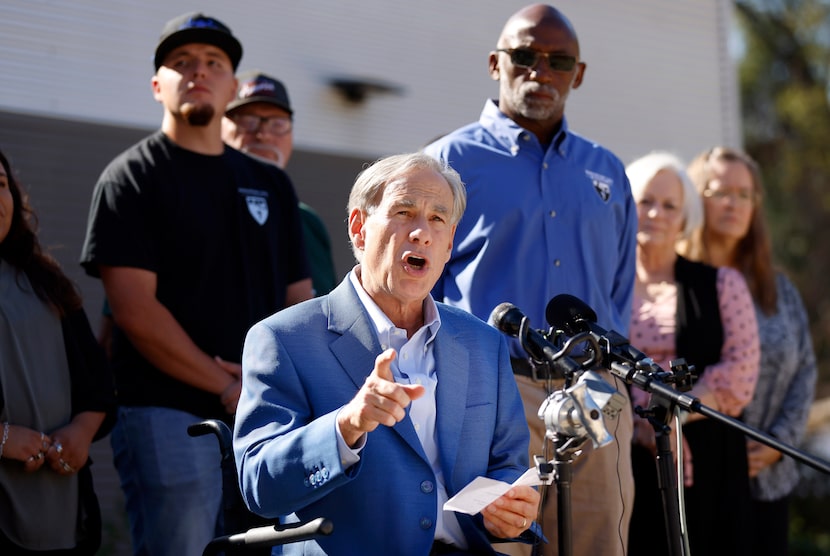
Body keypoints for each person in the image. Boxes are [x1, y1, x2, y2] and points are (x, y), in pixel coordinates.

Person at [79, 12, 312, 555]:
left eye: (213, 63)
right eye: (181, 63)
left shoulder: (270, 184)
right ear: (158, 85)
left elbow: (298, 302)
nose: (198, 72)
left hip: (265, 415)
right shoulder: (130, 178)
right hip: (167, 412)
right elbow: (135, 312)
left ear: (232, 85)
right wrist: (226, 385)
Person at [233, 152, 541, 555]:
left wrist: (509, 512)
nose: (421, 233)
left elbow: (508, 465)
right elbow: (260, 487)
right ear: (359, 229)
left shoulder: (482, 342)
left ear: (449, 244)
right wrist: (346, 425)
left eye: (437, 219)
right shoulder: (283, 338)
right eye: (404, 211)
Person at [422, 4, 638, 555]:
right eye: (524, 56)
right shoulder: (446, 162)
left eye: (558, 60)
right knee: (501, 547)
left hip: (596, 392)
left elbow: (618, 288)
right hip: (491, 389)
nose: (540, 71)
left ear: (579, 74)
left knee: (598, 545)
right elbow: (419, 286)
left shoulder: (607, 170)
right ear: (496, 63)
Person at [681, 146, 817, 556]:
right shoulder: (676, 285)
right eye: (721, 191)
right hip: (696, 480)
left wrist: (779, 443)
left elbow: (805, 370)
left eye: (745, 195)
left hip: (768, 479)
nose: (733, 204)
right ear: (695, 198)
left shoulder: (777, 289)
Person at [624, 151, 760, 556]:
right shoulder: (606, 288)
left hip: (709, 459)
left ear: (686, 217)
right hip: (625, 453)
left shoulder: (723, 284)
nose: (656, 214)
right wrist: (639, 422)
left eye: (670, 205)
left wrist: (672, 417)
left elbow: (741, 372)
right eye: (646, 201)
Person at [0, 149, 116, 554]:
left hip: (61, 506)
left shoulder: (43, 282)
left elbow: (97, 384)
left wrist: (80, 434)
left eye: (1, 185)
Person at [223, 70, 338, 296]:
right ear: (219, 130)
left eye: (277, 123)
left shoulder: (307, 222)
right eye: (248, 121)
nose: (263, 135)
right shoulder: (201, 208)